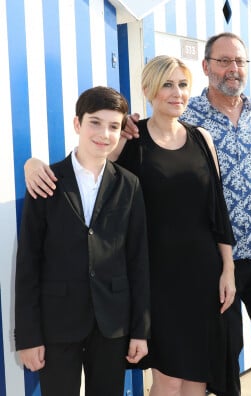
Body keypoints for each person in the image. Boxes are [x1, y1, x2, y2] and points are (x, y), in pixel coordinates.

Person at [25, 55, 237, 396]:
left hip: (202, 273)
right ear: (148, 89)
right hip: (156, 276)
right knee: (167, 377)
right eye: (167, 84)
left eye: (182, 84)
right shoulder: (131, 142)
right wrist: (32, 164)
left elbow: (218, 210)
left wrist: (227, 268)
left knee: (198, 375)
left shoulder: (202, 139)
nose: (176, 93)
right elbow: (86, 166)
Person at [14, 86, 150, 396]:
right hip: (57, 324)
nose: (104, 133)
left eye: (114, 126)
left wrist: (140, 331)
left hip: (112, 324)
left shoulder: (129, 185)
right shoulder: (47, 180)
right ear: (78, 124)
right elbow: (28, 263)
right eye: (95, 122)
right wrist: (28, 337)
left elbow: (138, 260)